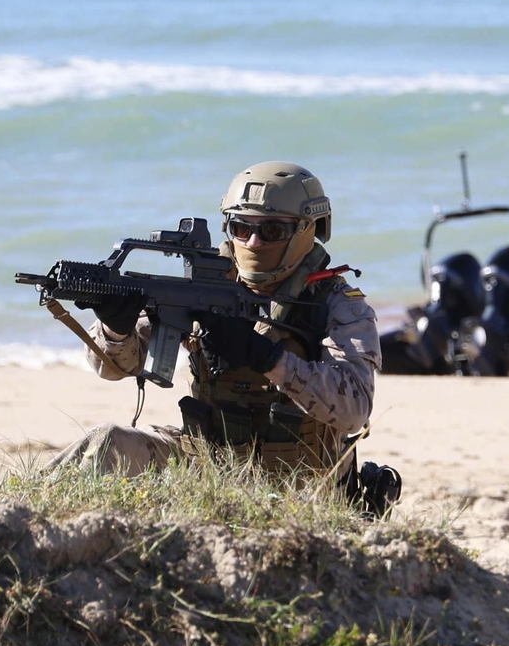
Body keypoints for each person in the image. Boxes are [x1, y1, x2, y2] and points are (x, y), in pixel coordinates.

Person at [47, 161, 391, 508]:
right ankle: (19, 519)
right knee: (108, 442)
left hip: (302, 481)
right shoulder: (208, 287)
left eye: (271, 231)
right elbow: (111, 368)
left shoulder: (337, 304)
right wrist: (115, 330)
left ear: (306, 229)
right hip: (208, 463)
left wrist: (268, 358)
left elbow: (355, 410)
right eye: (241, 228)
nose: (253, 242)